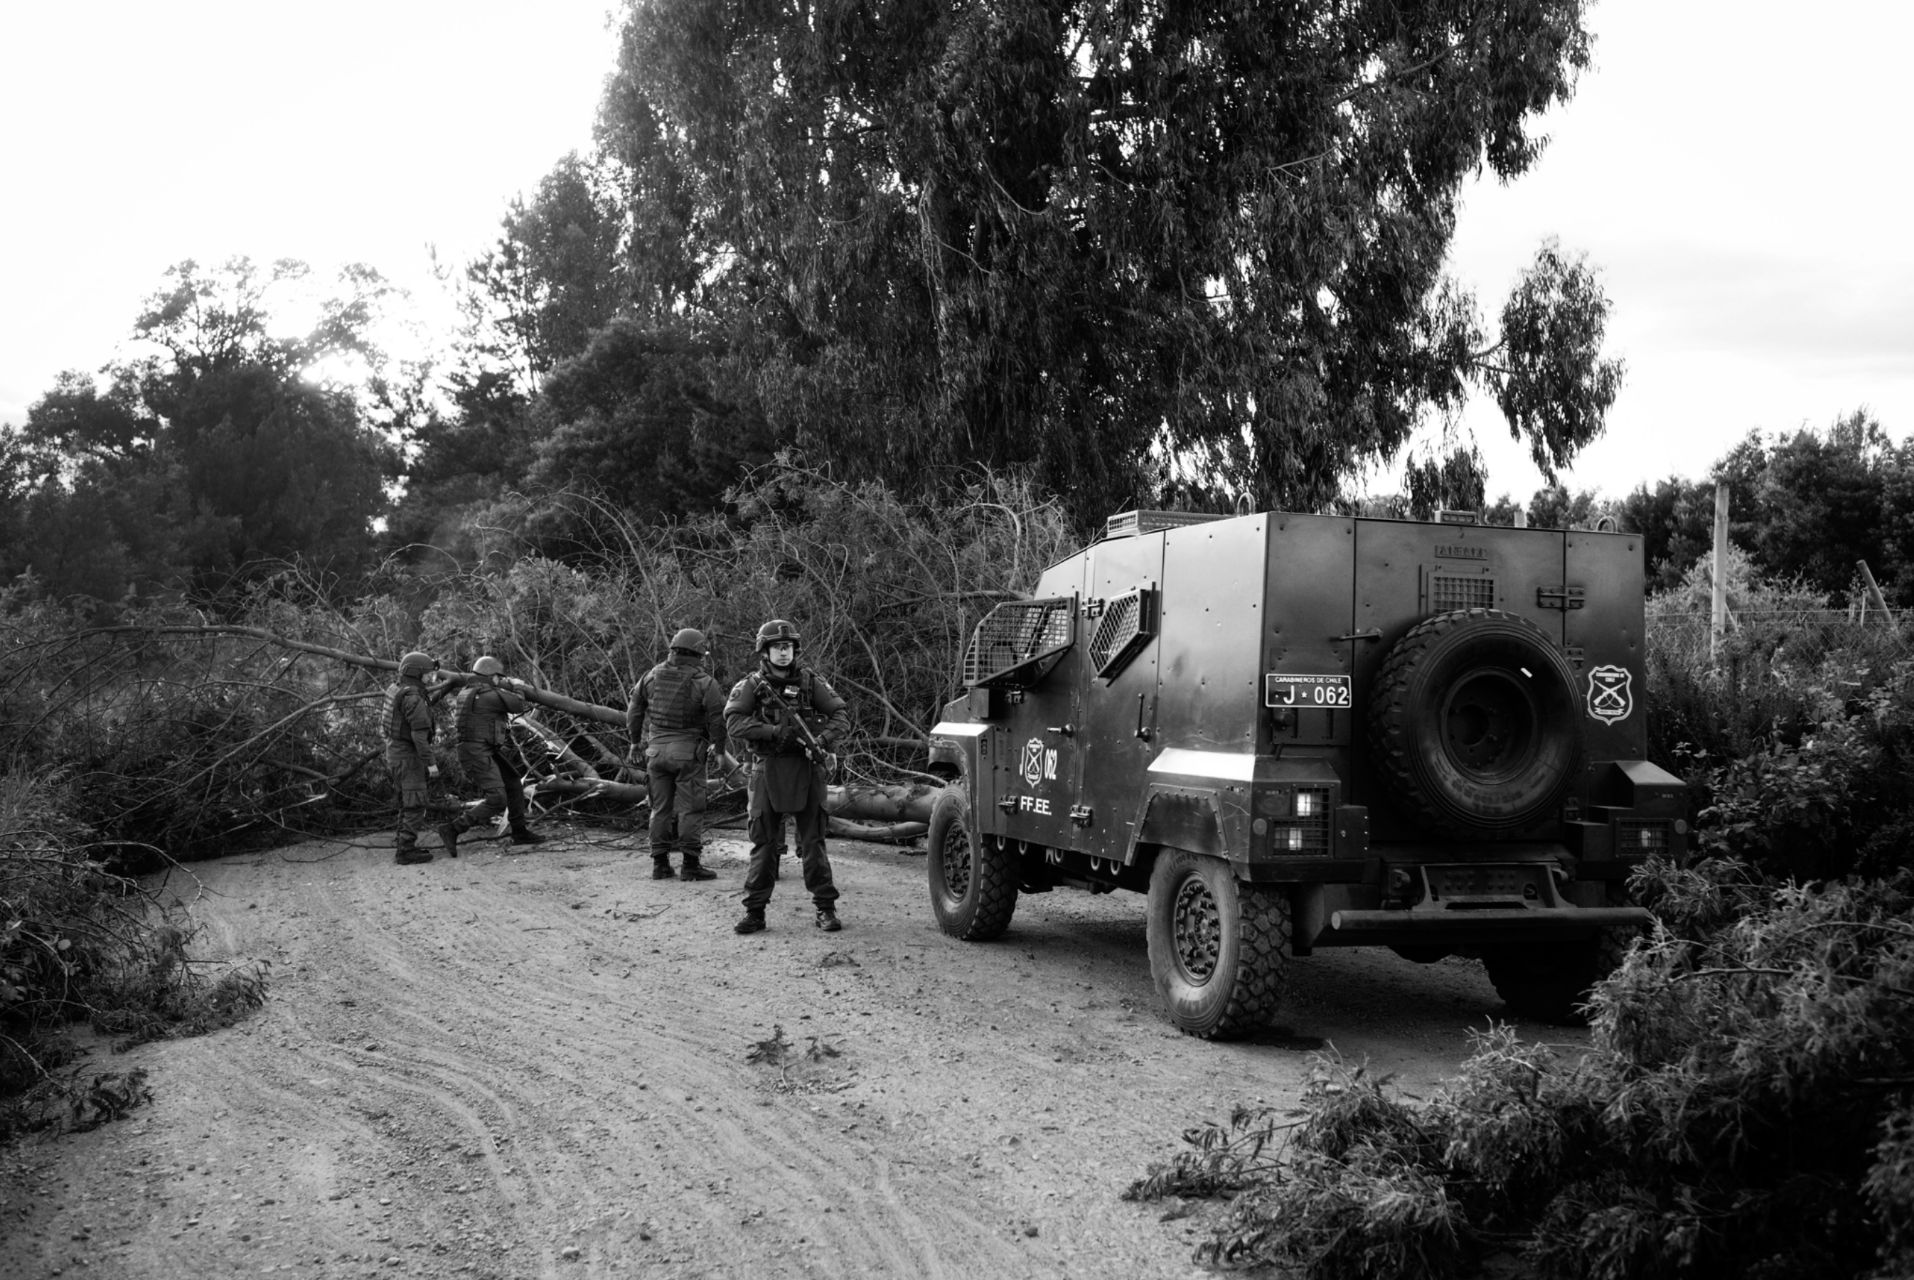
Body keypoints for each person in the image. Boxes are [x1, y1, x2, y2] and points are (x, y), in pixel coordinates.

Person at [724, 619, 851, 933]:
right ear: (765, 651)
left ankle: (825, 909)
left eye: (788, 647)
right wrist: (772, 731)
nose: (783, 653)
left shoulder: (810, 682)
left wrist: (820, 742)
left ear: (794, 650)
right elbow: (734, 722)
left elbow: (840, 715)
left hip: (807, 768)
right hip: (767, 767)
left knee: (813, 843)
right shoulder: (752, 685)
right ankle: (755, 912)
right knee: (764, 845)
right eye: (777, 647)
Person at [628, 628, 731, 881]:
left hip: (655, 752)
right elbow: (718, 719)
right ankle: (690, 865)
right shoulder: (704, 682)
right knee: (690, 809)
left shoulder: (651, 675)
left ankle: (660, 865)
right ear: (698, 653)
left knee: (659, 808)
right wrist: (719, 750)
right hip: (687, 754)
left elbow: (634, 710)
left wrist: (634, 743)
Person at [438, 655, 546, 855]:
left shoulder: (470, 690)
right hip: (476, 751)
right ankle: (453, 829)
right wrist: (518, 686)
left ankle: (520, 832)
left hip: (481, 748)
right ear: (490, 676)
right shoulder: (486, 694)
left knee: (513, 782)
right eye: (498, 677)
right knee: (497, 798)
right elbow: (518, 705)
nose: (500, 680)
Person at [383, 650, 442, 865]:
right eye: (428, 674)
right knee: (416, 801)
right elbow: (419, 737)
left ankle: (403, 842)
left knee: (406, 800)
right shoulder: (413, 697)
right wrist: (432, 764)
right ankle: (405, 850)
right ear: (417, 673)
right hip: (408, 756)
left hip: (395, 753)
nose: (431, 678)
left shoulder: (397, 689)